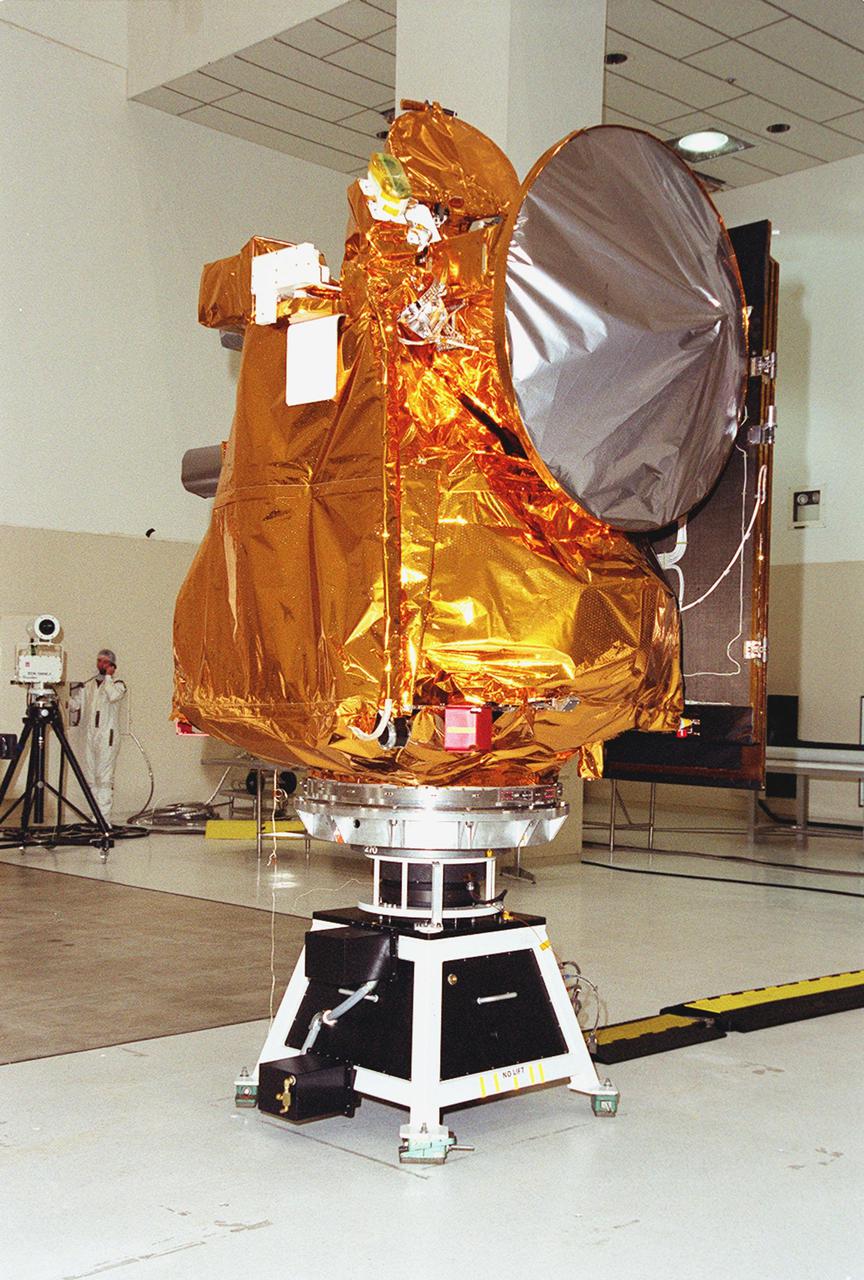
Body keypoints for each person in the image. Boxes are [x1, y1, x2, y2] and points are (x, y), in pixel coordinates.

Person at [69, 649, 127, 825]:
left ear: (112, 665)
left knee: (104, 779)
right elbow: (75, 705)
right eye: (99, 661)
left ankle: (104, 818)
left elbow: (113, 696)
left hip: (107, 737)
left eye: (105, 662)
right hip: (91, 736)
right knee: (91, 778)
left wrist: (108, 677)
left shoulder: (118, 685)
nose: (101, 664)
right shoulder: (89, 686)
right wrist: (60, 696)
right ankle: (95, 816)